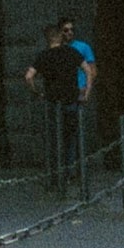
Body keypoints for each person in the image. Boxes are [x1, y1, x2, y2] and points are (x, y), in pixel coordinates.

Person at [30, 16, 95, 186]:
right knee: (71, 139)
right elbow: (88, 70)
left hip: (52, 101)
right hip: (71, 99)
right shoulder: (72, 52)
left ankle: (54, 177)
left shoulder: (43, 55)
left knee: (52, 138)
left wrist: (38, 92)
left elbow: (28, 76)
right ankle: (68, 174)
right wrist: (87, 92)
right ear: (60, 36)